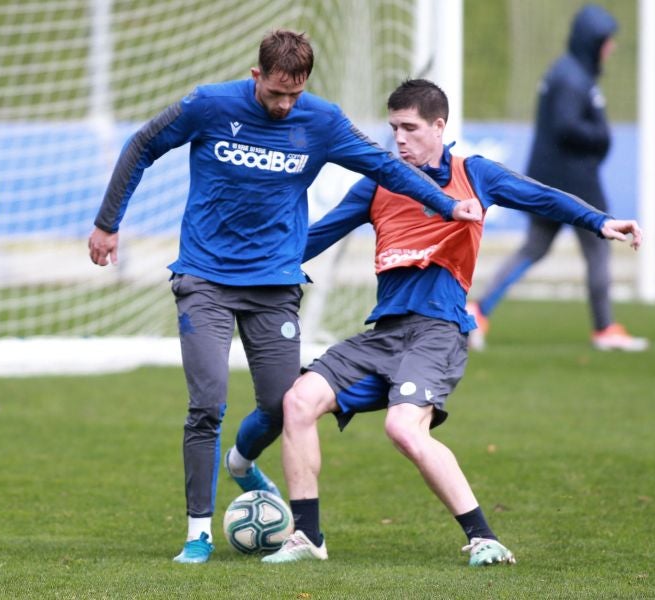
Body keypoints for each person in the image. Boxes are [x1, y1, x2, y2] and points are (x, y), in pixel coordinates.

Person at [87, 30, 484, 564]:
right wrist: (108, 223)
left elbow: (385, 167)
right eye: (276, 93)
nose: (285, 105)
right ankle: (198, 532)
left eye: (294, 95)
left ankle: (243, 464)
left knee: (283, 406)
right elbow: (142, 145)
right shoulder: (208, 106)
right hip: (204, 278)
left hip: (274, 286)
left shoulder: (319, 120)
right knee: (206, 404)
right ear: (257, 77)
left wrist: (444, 204)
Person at [262, 79, 642, 565]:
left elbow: (540, 196)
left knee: (403, 427)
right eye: (393, 127)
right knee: (297, 400)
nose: (399, 139)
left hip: (437, 333)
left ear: (439, 126)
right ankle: (308, 537)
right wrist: (247, 262)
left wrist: (600, 221)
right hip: (384, 335)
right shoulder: (377, 183)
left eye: (410, 128)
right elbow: (312, 240)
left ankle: (484, 537)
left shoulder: (473, 174)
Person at [467, 4, 647, 352]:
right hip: (574, 183)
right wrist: (601, 135)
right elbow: (567, 126)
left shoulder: (568, 72)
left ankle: (479, 310)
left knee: (535, 247)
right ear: (592, 41)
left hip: (553, 178)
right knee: (597, 250)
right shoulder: (571, 77)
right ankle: (605, 328)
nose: (611, 47)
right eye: (606, 41)